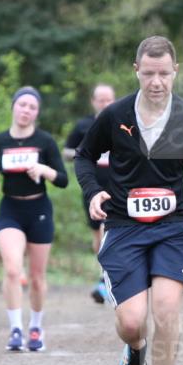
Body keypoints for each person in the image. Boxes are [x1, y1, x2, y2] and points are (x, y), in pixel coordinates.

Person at [75, 36, 183, 365]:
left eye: (163, 73)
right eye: (148, 73)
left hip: (172, 227)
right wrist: (92, 192)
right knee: (131, 322)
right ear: (136, 71)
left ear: (175, 72)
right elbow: (85, 157)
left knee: (167, 309)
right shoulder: (115, 115)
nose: (156, 82)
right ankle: (135, 348)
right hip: (124, 226)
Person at [0, 86, 68, 352]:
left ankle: (35, 327)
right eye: (22, 104)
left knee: (37, 276)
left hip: (39, 210)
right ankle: (15, 329)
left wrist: (44, 170)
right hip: (10, 209)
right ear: (14, 106)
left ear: (37, 113)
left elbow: (63, 179)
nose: (26, 110)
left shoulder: (45, 141)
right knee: (12, 269)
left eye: (32, 107)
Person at [64, 83, 117, 304]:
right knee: (97, 237)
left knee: (107, 230)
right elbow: (66, 151)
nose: (105, 103)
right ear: (93, 102)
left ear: (114, 100)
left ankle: (105, 281)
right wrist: (85, 152)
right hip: (91, 188)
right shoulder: (83, 126)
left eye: (108, 100)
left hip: (116, 188)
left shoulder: (123, 123)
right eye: (100, 100)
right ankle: (104, 273)